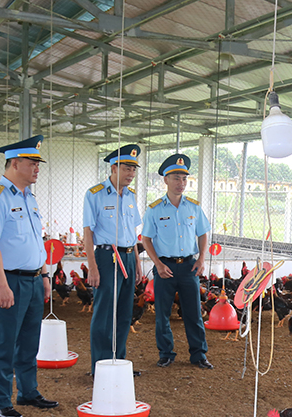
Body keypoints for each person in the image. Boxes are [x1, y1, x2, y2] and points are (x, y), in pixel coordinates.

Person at [0, 135, 57, 417]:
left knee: (29, 340)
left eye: (38, 163)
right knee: (2, 342)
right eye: (32, 163)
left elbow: (37, 241)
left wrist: (45, 275)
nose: (37, 168)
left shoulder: (29, 197)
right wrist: (0, 283)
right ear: (14, 163)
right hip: (9, 280)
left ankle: (27, 391)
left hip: (34, 279)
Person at [141, 153, 213, 369]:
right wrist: (158, 264)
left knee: (194, 313)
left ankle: (199, 354)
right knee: (162, 313)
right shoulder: (154, 209)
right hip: (165, 267)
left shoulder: (194, 207)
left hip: (189, 266)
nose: (181, 183)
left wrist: (201, 258)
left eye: (184, 178)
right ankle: (166, 353)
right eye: (176, 178)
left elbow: (202, 234)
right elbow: (146, 239)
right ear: (165, 180)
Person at [82, 144, 143, 377]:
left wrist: (137, 262)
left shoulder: (131, 196)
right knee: (105, 312)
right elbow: (88, 231)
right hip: (107, 257)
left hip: (128, 256)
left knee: (125, 312)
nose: (131, 174)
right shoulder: (95, 193)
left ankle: (119, 362)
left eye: (134, 170)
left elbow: (133, 232)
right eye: (127, 168)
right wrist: (92, 266)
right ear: (114, 167)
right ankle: (100, 365)